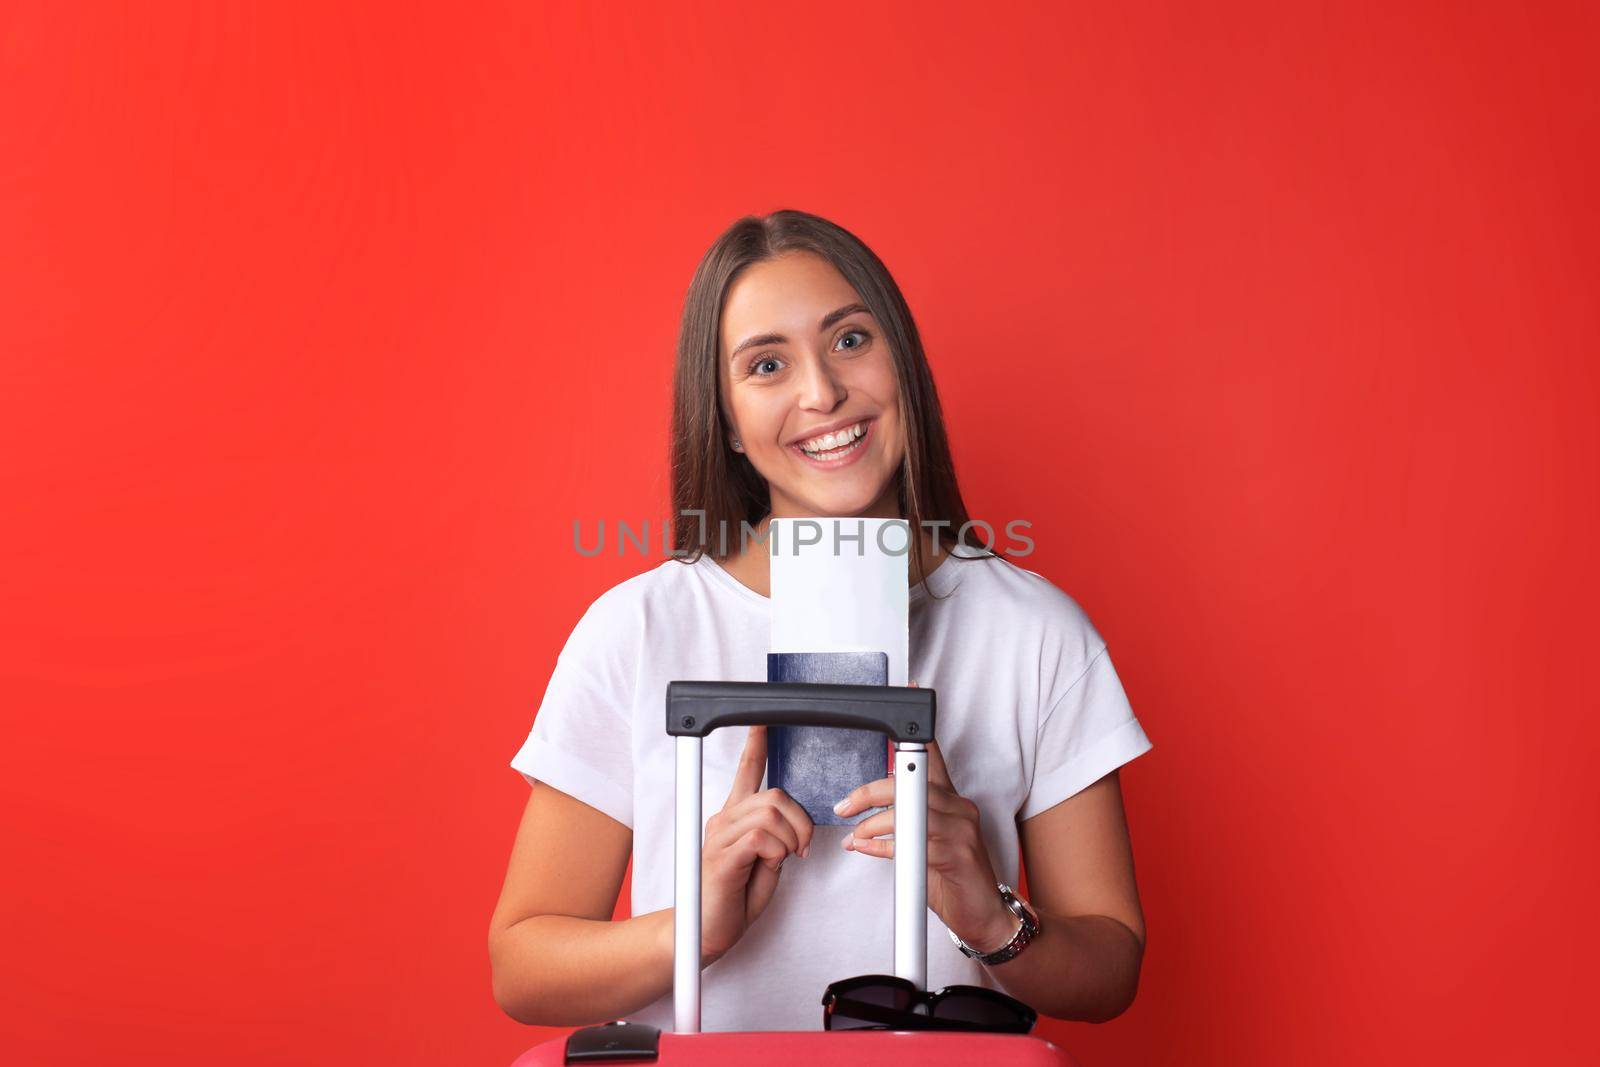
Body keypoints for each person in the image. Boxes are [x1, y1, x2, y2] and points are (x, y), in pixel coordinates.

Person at [488, 209, 1153, 1032]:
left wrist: (989, 916)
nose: (822, 392)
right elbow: (521, 965)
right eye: (767, 364)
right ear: (726, 418)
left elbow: (1111, 965)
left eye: (848, 341)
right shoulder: (638, 629)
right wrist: (691, 928)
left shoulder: (1037, 632)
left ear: (902, 361)